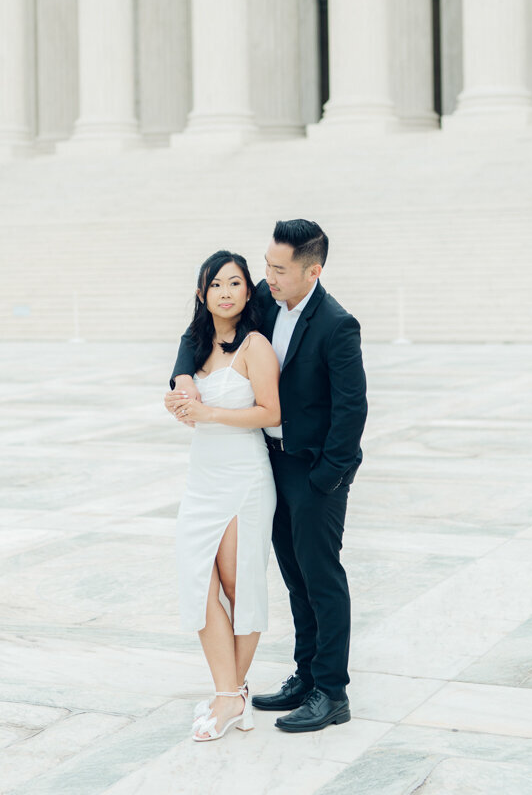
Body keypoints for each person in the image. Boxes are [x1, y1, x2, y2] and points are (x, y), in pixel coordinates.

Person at [166, 219, 367, 734]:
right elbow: (199, 331)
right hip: (267, 463)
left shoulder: (336, 324)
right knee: (294, 576)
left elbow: (351, 409)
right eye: (267, 266)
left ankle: (332, 691)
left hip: (313, 469)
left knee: (321, 576)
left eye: (278, 269)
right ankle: (306, 674)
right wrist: (184, 380)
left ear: (312, 270)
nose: (266, 278)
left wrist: (330, 477)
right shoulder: (263, 295)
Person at [172, 250, 280, 742]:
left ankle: (228, 695)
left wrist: (210, 414)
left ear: (247, 291)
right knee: (200, 581)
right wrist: (177, 401)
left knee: (239, 587)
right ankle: (230, 692)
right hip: (203, 478)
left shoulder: (254, 345)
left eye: (235, 283)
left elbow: (271, 413)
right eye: (216, 284)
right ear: (202, 294)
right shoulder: (195, 344)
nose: (226, 292)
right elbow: (179, 390)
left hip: (243, 477)